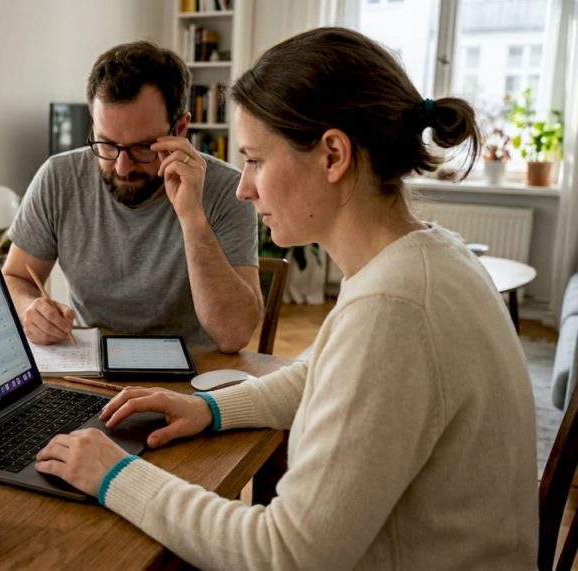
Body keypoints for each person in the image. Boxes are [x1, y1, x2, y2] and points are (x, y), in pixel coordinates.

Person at [35, 27, 538, 569]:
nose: (243, 187)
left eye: (254, 160)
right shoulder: (427, 255)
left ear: (333, 155)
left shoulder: (393, 308)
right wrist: (207, 407)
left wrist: (116, 475)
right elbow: (321, 373)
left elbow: (286, 553)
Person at [2, 41, 262, 353]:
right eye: (107, 144)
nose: (122, 167)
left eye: (142, 147)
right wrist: (30, 308)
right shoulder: (59, 177)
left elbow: (233, 334)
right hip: (91, 365)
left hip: (192, 374)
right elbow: (16, 277)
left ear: (180, 129)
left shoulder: (226, 189)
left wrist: (192, 217)